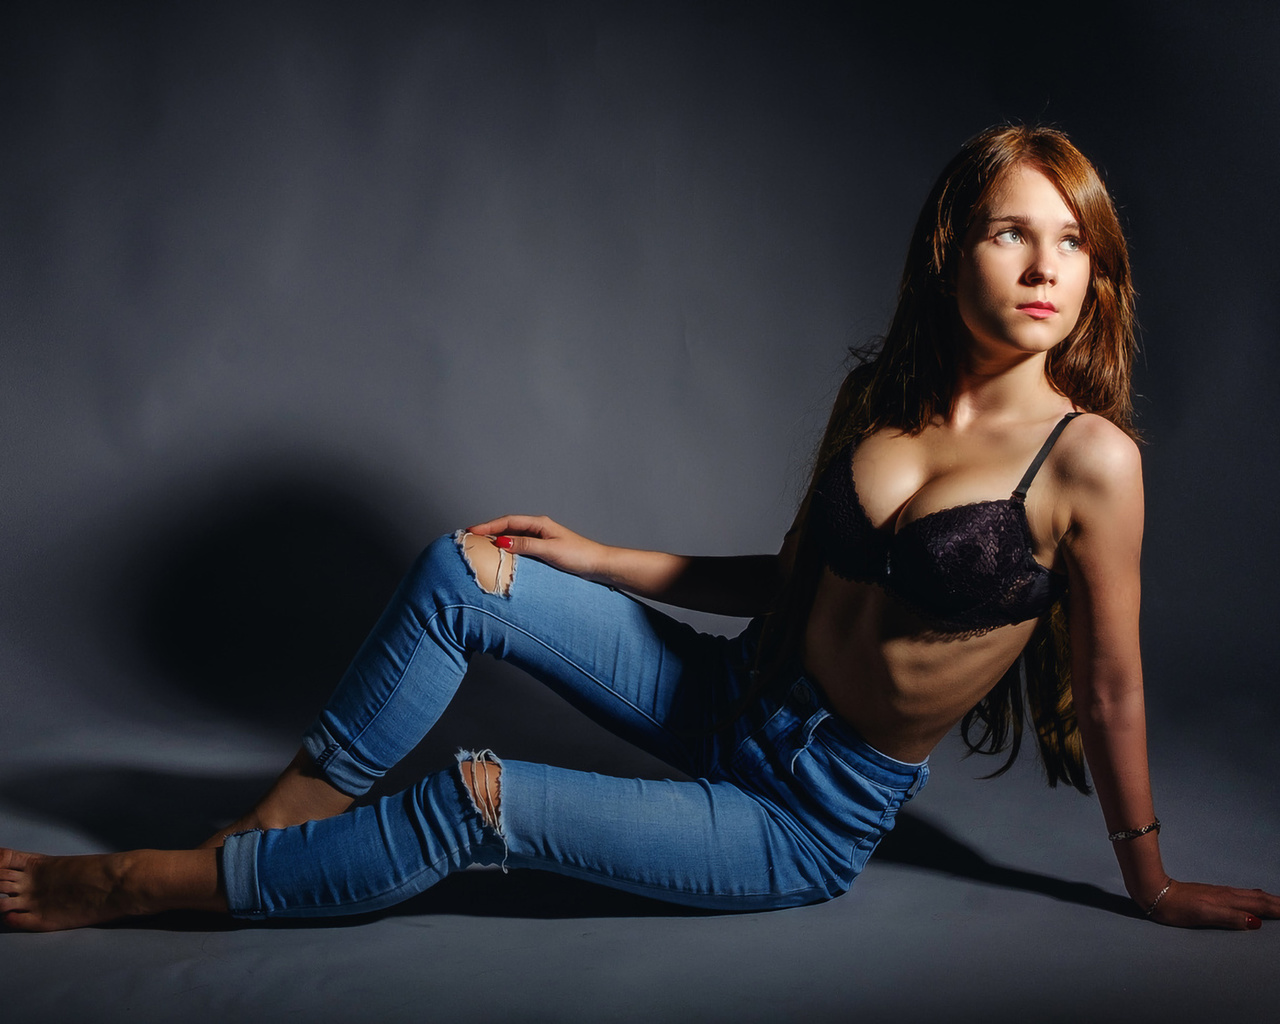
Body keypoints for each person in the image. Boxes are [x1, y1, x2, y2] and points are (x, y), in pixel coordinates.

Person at [2, 125, 1276, 933]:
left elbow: (1110, 688)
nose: (1049, 267)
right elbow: (791, 585)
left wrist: (1147, 879)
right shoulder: (880, 405)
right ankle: (265, 835)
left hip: (807, 810)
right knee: (468, 568)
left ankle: (128, 885)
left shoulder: (1089, 459)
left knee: (474, 799)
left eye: (1075, 244)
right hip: (730, 694)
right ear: (953, 247)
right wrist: (599, 557)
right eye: (1014, 231)